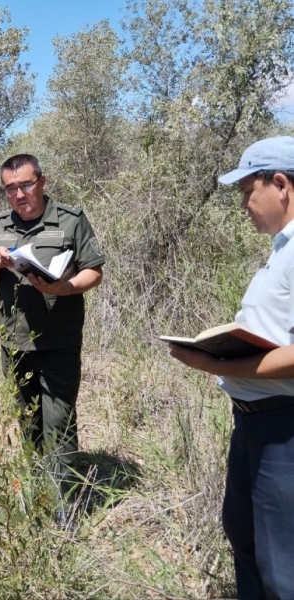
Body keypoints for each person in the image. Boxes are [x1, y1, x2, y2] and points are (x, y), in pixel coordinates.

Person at [168, 136, 294, 599]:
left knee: (284, 565)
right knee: (246, 538)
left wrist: (216, 362)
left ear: (280, 184)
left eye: (247, 191)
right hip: (253, 423)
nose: (244, 204)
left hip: (284, 428)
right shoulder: (281, 250)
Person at [0, 154, 104, 524]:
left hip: (58, 341)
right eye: (11, 188)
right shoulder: (0, 226)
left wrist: (65, 288)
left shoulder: (70, 220)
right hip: (13, 344)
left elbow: (94, 271)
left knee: (59, 424)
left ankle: (65, 509)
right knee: (27, 422)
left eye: (26, 185)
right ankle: (37, 495)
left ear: (42, 182)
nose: (19, 194)